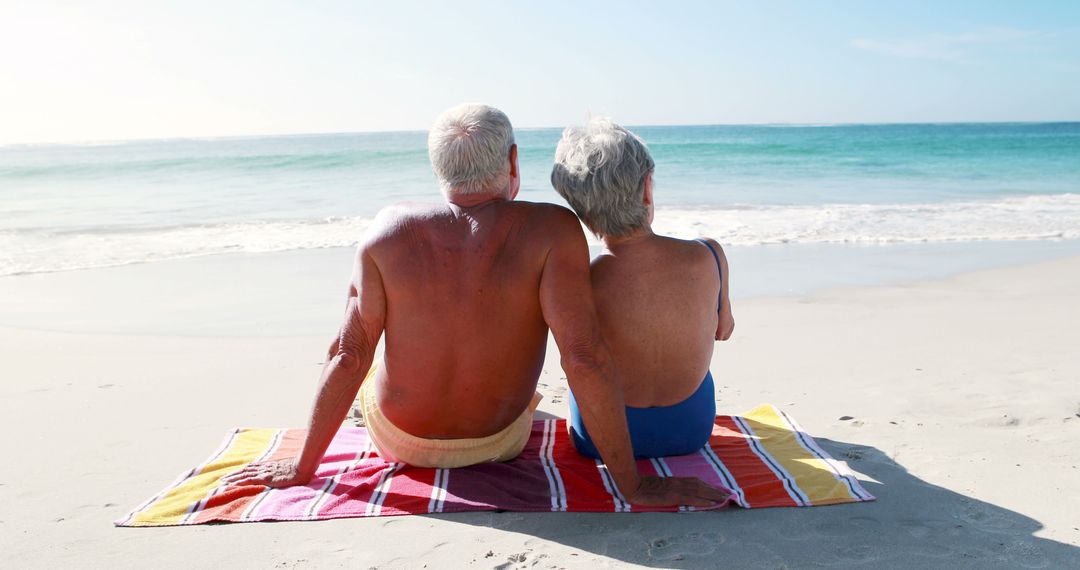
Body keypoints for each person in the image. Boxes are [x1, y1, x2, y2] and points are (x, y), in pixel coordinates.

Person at [223, 104, 727, 507]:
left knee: (354, 345)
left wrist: (303, 467)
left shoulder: (386, 230)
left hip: (402, 442)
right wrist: (632, 486)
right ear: (512, 162)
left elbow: (347, 356)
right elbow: (584, 356)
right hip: (498, 441)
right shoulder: (552, 228)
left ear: (438, 168)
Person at [550, 118, 735, 459]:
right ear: (647, 188)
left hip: (600, 440)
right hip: (691, 431)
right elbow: (723, 330)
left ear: (579, 209)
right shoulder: (709, 255)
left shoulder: (579, 281)